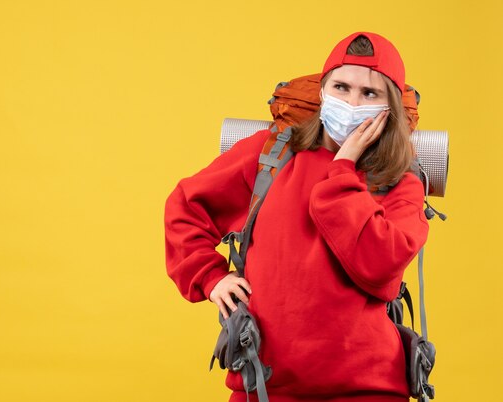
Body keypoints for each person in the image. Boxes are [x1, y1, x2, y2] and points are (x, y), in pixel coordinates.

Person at [164, 32, 429, 402]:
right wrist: (209, 277)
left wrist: (342, 169)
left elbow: (381, 269)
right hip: (264, 381)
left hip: (368, 388)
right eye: (341, 87)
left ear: (391, 107)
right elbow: (187, 205)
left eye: (369, 94)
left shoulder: (401, 180)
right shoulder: (270, 152)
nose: (352, 102)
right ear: (322, 92)